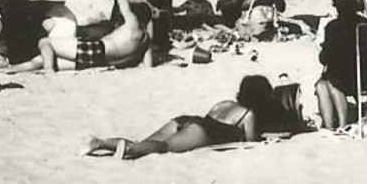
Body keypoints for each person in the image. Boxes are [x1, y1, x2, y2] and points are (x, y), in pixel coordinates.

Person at [84, 75, 278, 160]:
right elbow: (251, 142)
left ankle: (100, 143)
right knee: (163, 148)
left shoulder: (225, 103)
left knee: (146, 143)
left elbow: (208, 117)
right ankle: (128, 149)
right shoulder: (248, 114)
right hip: (203, 132)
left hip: (188, 120)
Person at [33, 0, 154, 72]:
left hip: (97, 48)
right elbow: (148, 65)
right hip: (100, 61)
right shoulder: (146, 40)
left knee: (45, 42)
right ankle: (13, 70)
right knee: (43, 60)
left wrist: (144, 1)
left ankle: (48, 71)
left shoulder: (132, 22)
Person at [314, 0, 367, 130]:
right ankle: (330, 127)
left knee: (330, 84)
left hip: (353, 76)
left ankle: (341, 125)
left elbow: (324, 58)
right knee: (322, 85)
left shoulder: (333, 27)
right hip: (365, 76)